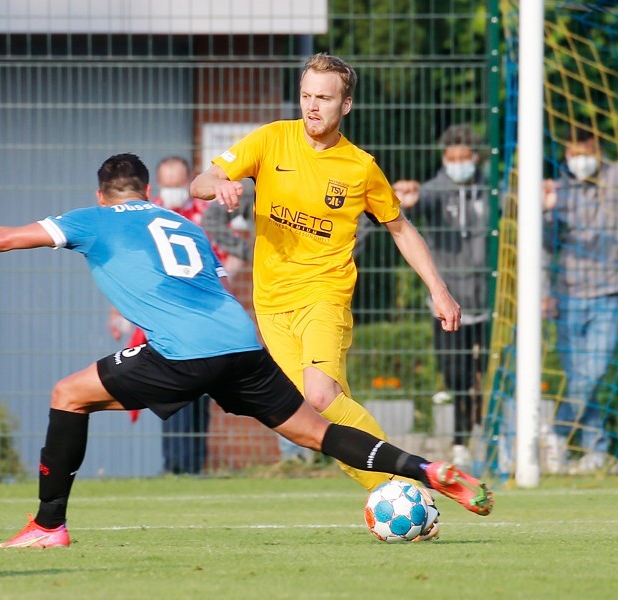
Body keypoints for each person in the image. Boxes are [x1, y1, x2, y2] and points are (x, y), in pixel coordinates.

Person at [0, 153, 492, 548]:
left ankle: (48, 525)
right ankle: (423, 468)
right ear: (145, 191)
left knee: (67, 395)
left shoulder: (91, 219)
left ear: (102, 194)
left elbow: (6, 238)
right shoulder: (179, 222)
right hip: (241, 340)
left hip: (183, 352)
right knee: (313, 430)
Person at [190, 54, 462, 491]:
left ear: (346, 105)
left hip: (324, 295)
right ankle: (393, 487)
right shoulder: (271, 139)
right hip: (272, 303)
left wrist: (439, 290)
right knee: (318, 410)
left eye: (324, 97)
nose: (312, 106)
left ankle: (406, 480)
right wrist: (219, 184)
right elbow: (201, 180)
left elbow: (400, 227)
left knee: (319, 396)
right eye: (306, 96)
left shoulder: (360, 167)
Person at [541, 116, 618, 474]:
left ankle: (556, 433)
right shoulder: (559, 191)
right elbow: (544, 247)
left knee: (593, 372)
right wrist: (543, 210)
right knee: (581, 376)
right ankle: (595, 449)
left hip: (610, 291)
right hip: (568, 295)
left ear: (598, 153)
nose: (578, 159)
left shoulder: (616, 177)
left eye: (584, 152)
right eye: (572, 153)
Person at [392, 125, 491, 470]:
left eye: (465, 158)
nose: (458, 164)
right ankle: (462, 437)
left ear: (475, 157)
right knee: (455, 374)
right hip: (449, 302)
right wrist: (410, 201)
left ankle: (481, 436)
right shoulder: (434, 190)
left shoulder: (492, 190)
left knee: (488, 373)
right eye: (452, 159)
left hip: (489, 301)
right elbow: (417, 208)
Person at [107, 156, 211, 475]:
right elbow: (126, 263)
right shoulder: (150, 215)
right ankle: (174, 465)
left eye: (178, 182)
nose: (172, 189)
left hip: (200, 314)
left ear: (189, 180)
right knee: (171, 386)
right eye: (167, 183)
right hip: (162, 314)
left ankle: (194, 465)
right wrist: (118, 312)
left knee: (201, 389)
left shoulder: (204, 214)